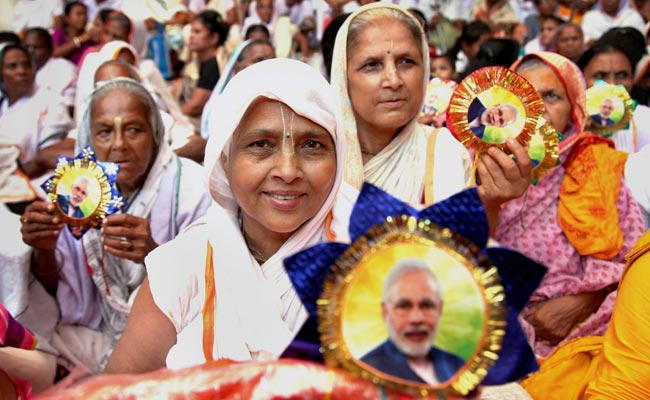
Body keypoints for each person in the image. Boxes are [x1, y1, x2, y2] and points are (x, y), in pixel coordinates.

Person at [103, 58, 352, 374]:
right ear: (224, 158)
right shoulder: (183, 267)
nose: (288, 171)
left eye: (312, 145)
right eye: (261, 144)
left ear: (339, 153)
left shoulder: (371, 259)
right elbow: (115, 390)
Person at [20, 78, 211, 373]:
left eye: (134, 130)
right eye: (105, 132)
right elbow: (59, 297)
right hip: (94, 330)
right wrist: (43, 251)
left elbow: (212, 288)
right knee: (29, 345)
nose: (120, 144)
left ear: (156, 135)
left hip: (170, 334)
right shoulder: (73, 196)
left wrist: (156, 256)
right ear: (88, 139)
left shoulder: (193, 190)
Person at [330, 3, 531, 235]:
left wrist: (490, 202)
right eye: (372, 65)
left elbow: (463, 256)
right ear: (343, 76)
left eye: (406, 61)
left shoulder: (445, 151)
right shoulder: (322, 155)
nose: (394, 80)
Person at [495, 51, 646, 358]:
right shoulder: (478, 163)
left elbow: (632, 263)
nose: (537, 109)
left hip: (588, 328)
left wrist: (582, 303)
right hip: (498, 329)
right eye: (524, 95)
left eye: (552, 96)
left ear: (574, 107)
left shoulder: (602, 167)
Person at [360, 259, 464, 385]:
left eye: (426, 305)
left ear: (439, 309)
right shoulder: (364, 373)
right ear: (385, 311)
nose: (416, 319)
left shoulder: (457, 366)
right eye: (404, 306)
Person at [0, 43, 74, 184]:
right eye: (12, 66)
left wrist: (12, 179)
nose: (21, 71)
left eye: (26, 65)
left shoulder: (50, 102)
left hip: (36, 182)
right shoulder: (3, 103)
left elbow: (43, 160)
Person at [578, 40, 650, 153]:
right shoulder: (568, 123)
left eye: (622, 75)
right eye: (600, 75)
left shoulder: (645, 119)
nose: (612, 84)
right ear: (580, 79)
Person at [23, 27, 78, 118]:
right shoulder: (20, 71)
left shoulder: (64, 69)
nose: (31, 51)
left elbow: (68, 109)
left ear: (50, 49)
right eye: (27, 47)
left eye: (37, 47)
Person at [52, 1, 98, 66]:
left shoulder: (90, 38)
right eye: (79, 14)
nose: (83, 18)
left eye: (85, 14)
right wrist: (80, 39)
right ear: (66, 18)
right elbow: (55, 53)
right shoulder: (59, 32)